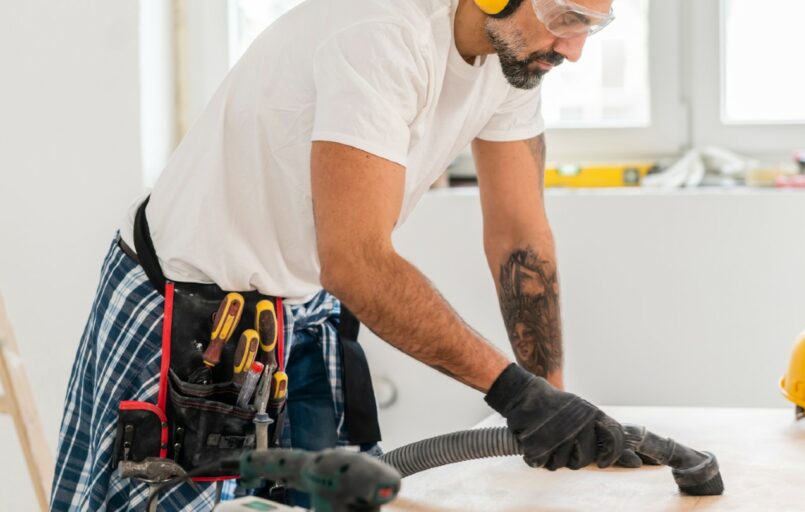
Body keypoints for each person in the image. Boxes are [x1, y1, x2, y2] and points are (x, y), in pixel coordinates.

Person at [51, 0, 634, 509]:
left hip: (301, 309)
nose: (575, 50)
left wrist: (551, 405)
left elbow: (519, 241)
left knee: (332, 498)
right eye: (566, 18)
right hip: (187, 309)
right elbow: (357, 263)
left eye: (594, 26)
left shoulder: (513, 60)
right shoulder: (379, 32)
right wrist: (513, 392)